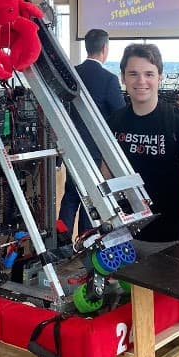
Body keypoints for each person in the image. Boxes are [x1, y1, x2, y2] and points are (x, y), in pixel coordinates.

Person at [107, 43, 179, 243]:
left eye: (149, 74)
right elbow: (106, 178)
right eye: (133, 74)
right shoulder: (114, 121)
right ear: (123, 77)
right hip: (124, 238)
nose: (141, 81)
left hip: (170, 239)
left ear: (160, 77)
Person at [58, 28, 125, 236]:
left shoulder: (71, 74)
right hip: (96, 150)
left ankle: (62, 243)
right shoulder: (109, 79)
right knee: (93, 198)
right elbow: (120, 114)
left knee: (70, 195)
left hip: (72, 145)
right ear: (105, 49)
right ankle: (86, 243)